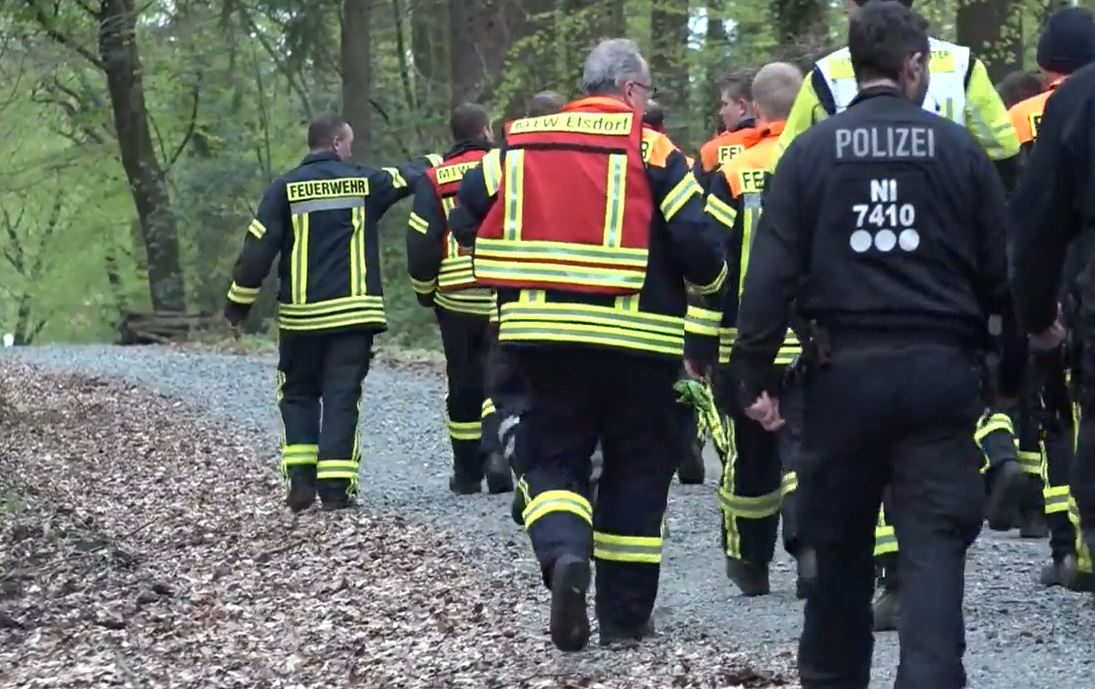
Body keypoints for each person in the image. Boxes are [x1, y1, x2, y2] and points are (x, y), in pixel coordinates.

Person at [728, 3, 1025, 686]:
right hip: (937, 376)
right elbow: (999, 277)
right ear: (913, 65)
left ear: (851, 67)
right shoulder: (958, 153)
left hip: (841, 377)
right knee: (932, 541)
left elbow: (768, 276)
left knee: (836, 547)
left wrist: (753, 378)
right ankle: (928, 674)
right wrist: (1007, 371)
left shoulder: (808, 154)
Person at [453, 38, 727, 651]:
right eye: (647, 92)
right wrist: (707, 286)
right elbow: (701, 247)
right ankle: (626, 621)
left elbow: (464, 220)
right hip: (640, 347)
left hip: (539, 341)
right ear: (631, 91)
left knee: (549, 458)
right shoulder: (654, 148)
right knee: (637, 469)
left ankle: (565, 555)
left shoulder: (518, 144)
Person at [224, 115, 436, 512]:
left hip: (302, 319)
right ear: (337, 142)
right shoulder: (364, 182)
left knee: (299, 394)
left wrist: (238, 305)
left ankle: (302, 479)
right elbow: (407, 176)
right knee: (341, 396)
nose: (352, 150)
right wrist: (437, 159)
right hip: (353, 316)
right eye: (349, 142)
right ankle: (336, 488)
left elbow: (257, 250)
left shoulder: (283, 189)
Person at [705, 61, 805, 596]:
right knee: (811, 443)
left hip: (745, 336)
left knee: (748, 452)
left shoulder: (735, 171)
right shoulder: (822, 160)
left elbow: (710, 262)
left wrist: (698, 340)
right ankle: (811, 546)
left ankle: (750, 563)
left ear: (756, 108)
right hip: (817, 336)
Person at [1006, 6, 1095, 588]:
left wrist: (1032, 314)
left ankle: (1072, 550)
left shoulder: (1066, 106)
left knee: (1072, 422)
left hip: (1078, 282)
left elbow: (1031, 221)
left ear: (1045, 69)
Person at [406, 103, 512, 495]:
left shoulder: (434, 178)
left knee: (463, 382)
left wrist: (424, 292)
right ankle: (498, 451)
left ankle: (468, 472)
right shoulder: (506, 165)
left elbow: (421, 242)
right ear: (486, 131)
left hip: (454, 296)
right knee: (501, 377)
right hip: (502, 288)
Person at [693, 70, 763, 191]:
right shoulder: (781, 143)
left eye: (725, 104)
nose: (721, 112)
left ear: (742, 107)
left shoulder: (711, 152)